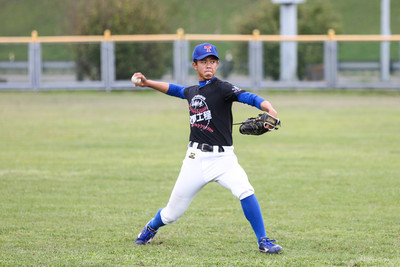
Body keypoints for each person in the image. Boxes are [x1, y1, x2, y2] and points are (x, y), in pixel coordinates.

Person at [132, 43, 282, 254]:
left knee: (245, 190)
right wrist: (148, 83)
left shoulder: (222, 88)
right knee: (172, 214)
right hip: (195, 159)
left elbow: (246, 97)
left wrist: (268, 107)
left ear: (218, 64)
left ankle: (263, 240)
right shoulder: (192, 91)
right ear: (195, 65)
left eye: (212, 61)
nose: (209, 65)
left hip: (224, 159)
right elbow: (175, 89)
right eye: (204, 62)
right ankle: (150, 227)